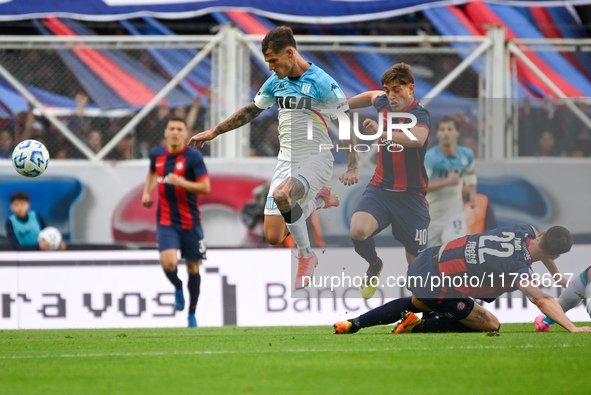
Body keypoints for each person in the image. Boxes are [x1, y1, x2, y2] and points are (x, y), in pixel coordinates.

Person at [189, 26, 359, 289]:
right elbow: (252, 110)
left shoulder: (322, 83)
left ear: (290, 53)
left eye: (273, 60)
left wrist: (352, 165)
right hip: (286, 161)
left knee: (282, 196)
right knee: (273, 235)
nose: (269, 67)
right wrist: (214, 131)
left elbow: (345, 121)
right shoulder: (276, 82)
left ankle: (306, 255)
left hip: (316, 158)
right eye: (267, 61)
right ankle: (319, 201)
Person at [333, 224, 591, 334]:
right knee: (491, 324)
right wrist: (572, 326)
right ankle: (416, 327)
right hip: (438, 282)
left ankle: (352, 322)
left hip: (425, 260)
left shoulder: (525, 231)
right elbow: (542, 300)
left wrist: (555, 274)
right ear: (556, 253)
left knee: (419, 303)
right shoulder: (518, 267)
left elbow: (539, 240)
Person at [346, 63, 430, 299]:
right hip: (380, 189)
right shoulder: (384, 101)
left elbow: (419, 138)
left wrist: (381, 133)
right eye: (388, 90)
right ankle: (374, 265)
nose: (391, 96)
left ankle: (422, 314)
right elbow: (371, 96)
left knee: (417, 271)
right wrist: (341, 105)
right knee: (358, 231)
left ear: (411, 89)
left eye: (397, 90)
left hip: (411, 197)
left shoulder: (419, 114)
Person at [141, 116, 210, 328]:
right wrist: (146, 192)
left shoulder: (193, 157)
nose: (175, 132)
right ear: (165, 132)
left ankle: (192, 314)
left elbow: (205, 187)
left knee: (192, 267)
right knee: (168, 262)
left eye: (180, 129)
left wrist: (181, 182)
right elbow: (153, 171)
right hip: (166, 220)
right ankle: (177, 285)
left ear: (185, 133)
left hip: (190, 221)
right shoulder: (157, 154)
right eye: (171, 128)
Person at [424, 115, 476, 247]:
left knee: (454, 250)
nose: (446, 132)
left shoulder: (467, 155)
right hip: (432, 218)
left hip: (455, 217)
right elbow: (421, 186)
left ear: (457, 132)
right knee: (428, 259)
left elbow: (470, 174)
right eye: (442, 129)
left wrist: (472, 193)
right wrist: (447, 182)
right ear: (438, 134)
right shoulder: (430, 158)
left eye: (450, 129)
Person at [535, 265, 591, 331]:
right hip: (586, 276)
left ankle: (546, 322)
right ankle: (546, 322)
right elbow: (545, 255)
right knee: (564, 303)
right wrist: (558, 277)